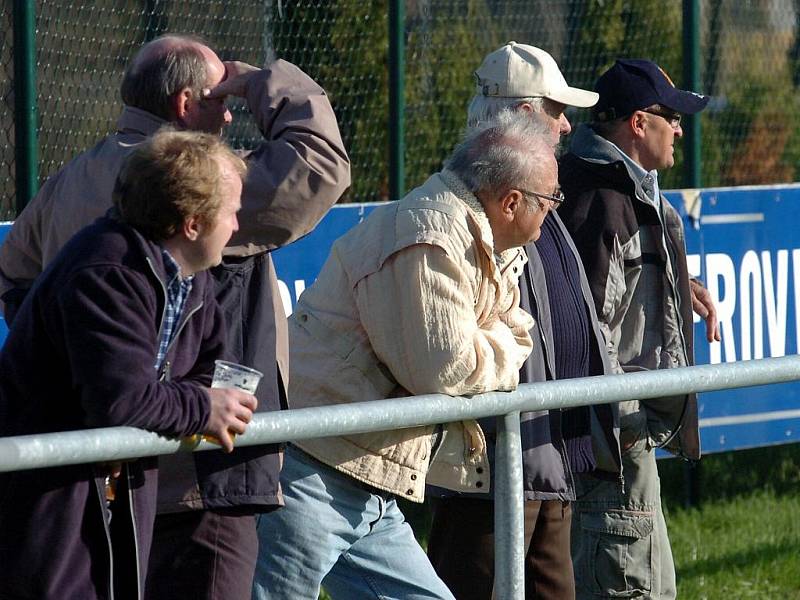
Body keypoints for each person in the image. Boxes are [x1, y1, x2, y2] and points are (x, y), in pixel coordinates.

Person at [0, 34, 350, 600]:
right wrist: (265, 81)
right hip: (196, 468)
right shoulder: (198, 184)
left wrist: (75, 360)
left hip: (113, 473)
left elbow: (13, 275)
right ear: (187, 104)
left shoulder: (72, 180)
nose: (232, 111)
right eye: (221, 96)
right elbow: (322, 164)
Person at [251, 112, 555, 600]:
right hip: (315, 468)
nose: (553, 211)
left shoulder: (477, 237)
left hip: (369, 471)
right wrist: (503, 344)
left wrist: (496, 340)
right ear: (511, 201)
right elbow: (447, 367)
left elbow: (517, 330)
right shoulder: (430, 234)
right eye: (549, 200)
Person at [0, 130, 257, 600]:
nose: (237, 227)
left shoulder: (190, 278)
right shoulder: (107, 270)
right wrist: (202, 409)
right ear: (193, 223)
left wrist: (195, 400)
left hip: (117, 491)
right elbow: (122, 400)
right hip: (50, 498)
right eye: (232, 212)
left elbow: (210, 367)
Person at [427, 41, 621, 600]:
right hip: (490, 472)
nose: (566, 127)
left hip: (545, 455)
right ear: (523, 113)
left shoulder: (538, 196)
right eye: (557, 111)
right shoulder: (470, 207)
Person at [556, 59, 720, 600]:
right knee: (635, 586)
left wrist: (678, 281)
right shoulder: (605, 199)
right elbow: (583, 328)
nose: (680, 129)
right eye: (671, 117)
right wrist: (621, 432)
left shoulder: (613, 187)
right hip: (612, 445)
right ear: (636, 123)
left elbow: (616, 281)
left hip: (616, 437)